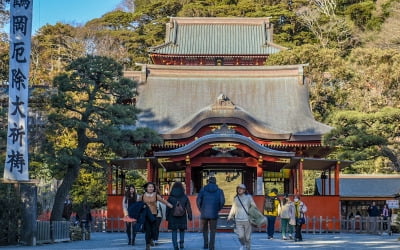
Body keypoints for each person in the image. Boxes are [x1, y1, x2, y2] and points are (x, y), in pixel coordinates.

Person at [141, 182, 173, 250]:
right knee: (147, 230)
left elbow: (163, 201)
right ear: (146, 188)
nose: (151, 188)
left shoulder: (156, 195)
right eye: (149, 187)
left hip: (154, 214)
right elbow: (138, 203)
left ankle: (152, 239)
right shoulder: (143, 195)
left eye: (152, 187)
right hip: (146, 215)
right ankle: (147, 244)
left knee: (154, 229)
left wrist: (170, 205)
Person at [196, 176, 225, 250]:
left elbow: (198, 201)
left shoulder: (202, 190)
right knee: (213, 230)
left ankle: (205, 244)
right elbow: (222, 201)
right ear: (215, 182)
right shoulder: (219, 191)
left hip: (204, 213)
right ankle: (211, 246)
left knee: (205, 229)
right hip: (214, 213)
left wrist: (201, 210)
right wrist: (218, 209)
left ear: (208, 181)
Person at [227, 184, 256, 250]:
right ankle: (243, 244)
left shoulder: (249, 197)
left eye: (241, 188)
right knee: (240, 236)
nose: (239, 190)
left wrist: (254, 214)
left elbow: (254, 207)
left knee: (248, 238)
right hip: (238, 220)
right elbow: (233, 208)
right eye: (238, 188)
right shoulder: (236, 198)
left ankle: (248, 248)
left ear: (244, 190)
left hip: (247, 220)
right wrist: (230, 216)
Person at [166, 182, 193, 250]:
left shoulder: (170, 197)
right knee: (182, 230)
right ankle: (181, 244)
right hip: (182, 216)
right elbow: (188, 207)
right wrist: (190, 216)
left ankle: (175, 246)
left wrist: (167, 217)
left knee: (174, 231)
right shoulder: (185, 197)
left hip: (172, 216)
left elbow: (168, 208)